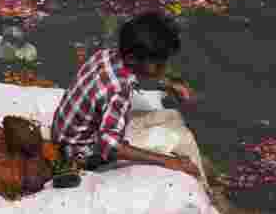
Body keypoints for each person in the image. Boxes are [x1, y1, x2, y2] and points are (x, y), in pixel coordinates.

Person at [52, 11, 201, 179]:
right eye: (159, 64)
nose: (164, 68)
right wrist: (169, 162)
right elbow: (109, 145)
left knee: (170, 118)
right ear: (131, 58)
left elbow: (136, 72)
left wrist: (166, 83)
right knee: (179, 137)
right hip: (81, 154)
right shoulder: (118, 91)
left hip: (63, 135)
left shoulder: (105, 55)